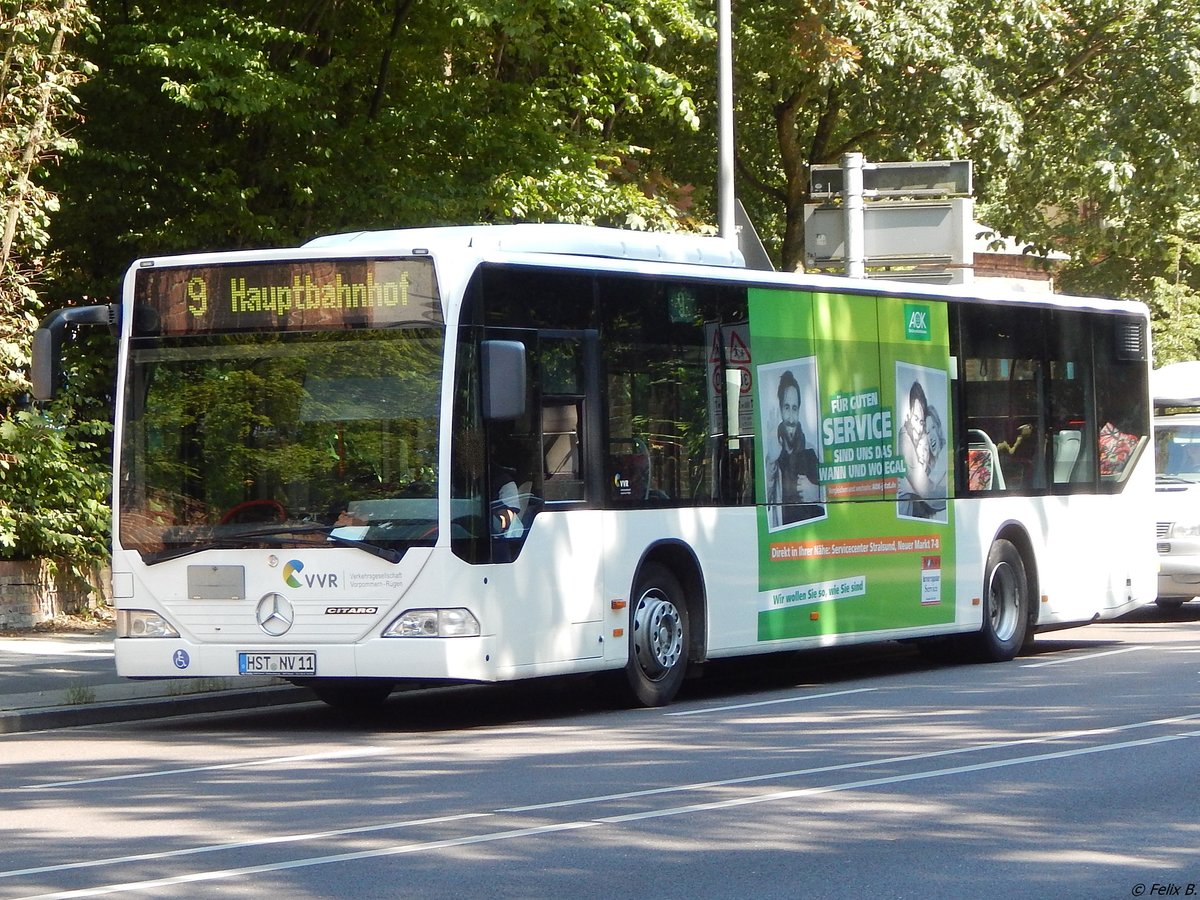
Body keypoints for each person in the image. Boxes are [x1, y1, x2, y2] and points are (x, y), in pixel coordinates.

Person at [767, 369, 822, 525]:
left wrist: (817, 493)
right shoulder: (772, 457)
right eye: (786, 407)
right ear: (780, 409)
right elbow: (764, 501)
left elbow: (836, 495)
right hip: (781, 539)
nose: (791, 418)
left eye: (794, 408)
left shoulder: (812, 452)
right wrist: (771, 461)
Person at [897, 380, 946, 519]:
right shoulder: (905, 439)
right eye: (915, 418)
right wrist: (954, 492)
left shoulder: (935, 453)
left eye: (921, 422)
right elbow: (927, 492)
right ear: (909, 415)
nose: (919, 428)